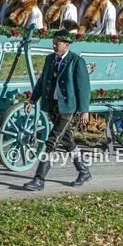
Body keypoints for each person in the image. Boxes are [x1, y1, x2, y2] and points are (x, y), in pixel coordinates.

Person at [22, 30, 92, 191]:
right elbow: (42, 82)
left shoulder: (76, 61)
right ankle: (84, 171)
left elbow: (83, 88)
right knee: (67, 141)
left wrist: (84, 110)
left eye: (57, 43)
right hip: (53, 106)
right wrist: (32, 100)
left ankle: (39, 179)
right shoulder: (50, 59)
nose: (54, 46)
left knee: (51, 141)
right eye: (53, 43)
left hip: (67, 108)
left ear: (66, 44)